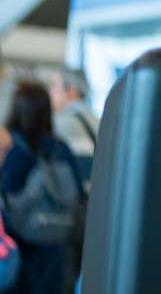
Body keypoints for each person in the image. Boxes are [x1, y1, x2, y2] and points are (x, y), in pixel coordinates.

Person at [2, 81, 83, 294]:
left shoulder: (12, 151)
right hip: (55, 249)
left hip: (19, 251)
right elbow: (78, 196)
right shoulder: (61, 149)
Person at [47, 71, 95, 181]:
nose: (49, 92)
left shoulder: (58, 122)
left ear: (71, 91)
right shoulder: (100, 121)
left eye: (53, 86)